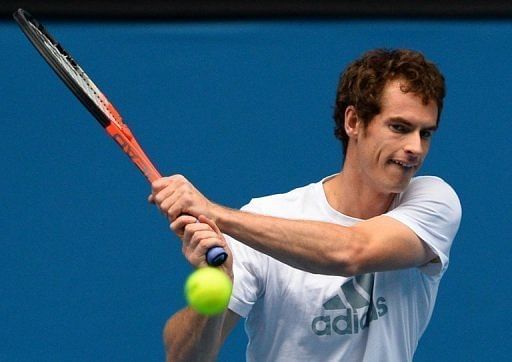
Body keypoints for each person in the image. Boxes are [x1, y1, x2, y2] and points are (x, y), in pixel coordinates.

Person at [149, 48, 462, 361]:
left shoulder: (433, 201)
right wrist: (220, 285)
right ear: (354, 121)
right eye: (399, 128)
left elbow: (352, 251)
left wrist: (213, 212)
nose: (415, 148)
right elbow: (183, 357)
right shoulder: (266, 219)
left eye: (426, 133)